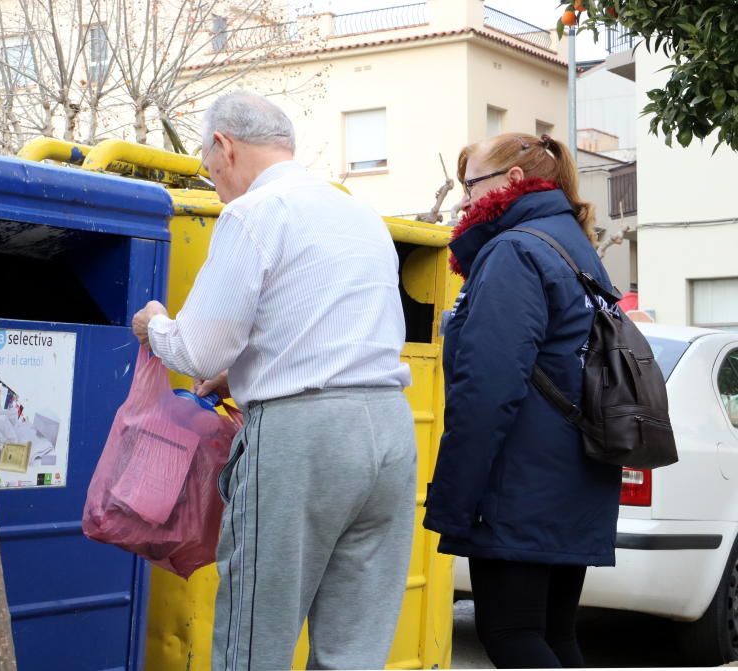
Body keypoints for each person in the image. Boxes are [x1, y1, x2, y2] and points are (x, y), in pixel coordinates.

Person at [130, 91, 417, 670]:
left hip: (302, 439)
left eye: (210, 171)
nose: (215, 183)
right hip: (389, 431)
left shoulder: (255, 212)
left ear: (222, 146)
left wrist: (156, 326)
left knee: (254, 637)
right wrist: (244, 373)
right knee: (353, 649)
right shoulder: (359, 213)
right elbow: (326, 327)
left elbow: (197, 347)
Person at [423, 132, 622, 668]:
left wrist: (456, 496)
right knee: (554, 636)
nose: (465, 200)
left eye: (472, 185)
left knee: (512, 634)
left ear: (512, 181)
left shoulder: (514, 250)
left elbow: (488, 385)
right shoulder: (573, 245)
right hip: (575, 471)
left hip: (522, 480)